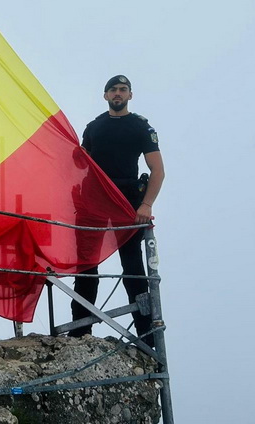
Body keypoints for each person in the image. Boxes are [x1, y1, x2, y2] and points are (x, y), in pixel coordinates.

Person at [70, 75, 165, 344]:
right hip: (93, 200)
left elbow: (157, 170)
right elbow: (80, 166)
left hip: (126, 202)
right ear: (105, 96)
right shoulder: (94, 127)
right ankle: (80, 329)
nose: (118, 93)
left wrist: (146, 204)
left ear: (130, 96)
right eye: (113, 90)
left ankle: (146, 334)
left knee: (132, 266)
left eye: (123, 90)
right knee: (86, 264)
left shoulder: (140, 127)